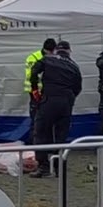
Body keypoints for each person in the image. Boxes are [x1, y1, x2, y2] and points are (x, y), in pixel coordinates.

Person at [28, 39, 82, 177]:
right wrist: (69, 99)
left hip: (49, 100)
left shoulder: (48, 59)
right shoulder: (74, 66)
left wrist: (35, 90)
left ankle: (44, 168)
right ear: (69, 51)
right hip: (66, 103)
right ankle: (59, 169)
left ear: (56, 50)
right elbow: (78, 88)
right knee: (61, 136)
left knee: (40, 132)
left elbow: (34, 72)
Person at [24, 38, 56, 141]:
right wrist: (35, 91)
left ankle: (46, 144)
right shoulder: (33, 58)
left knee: (47, 119)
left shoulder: (52, 58)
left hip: (47, 93)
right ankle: (33, 145)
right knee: (36, 119)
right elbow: (31, 75)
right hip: (35, 92)